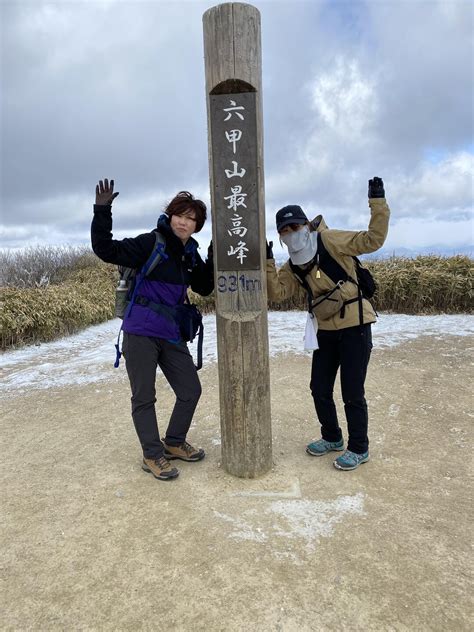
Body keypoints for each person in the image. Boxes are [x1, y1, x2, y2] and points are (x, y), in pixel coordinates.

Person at [91, 179, 214, 481]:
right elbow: (105, 249)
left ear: (197, 225)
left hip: (171, 333)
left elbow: (205, 286)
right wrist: (102, 211)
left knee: (190, 390)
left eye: (191, 219)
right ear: (170, 216)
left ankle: (172, 443)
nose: (184, 222)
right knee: (144, 397)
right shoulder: (151, 243)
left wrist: (213, 257)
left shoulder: (190, 254)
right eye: (180, 215)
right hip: (141, 332)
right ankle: (152, 454)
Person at [266, 177, 390, 471]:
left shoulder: (330, 240)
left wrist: (377, 201)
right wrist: (268, 262)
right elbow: (278, 293)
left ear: (306, 225)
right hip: (325, 332)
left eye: (294, 227)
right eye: (284, 231)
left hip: (356, 325)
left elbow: (373, 239)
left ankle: (359, 448)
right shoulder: (293, 263)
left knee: (351, 391)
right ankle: (332, 437)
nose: (290, 235)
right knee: (319, 387)